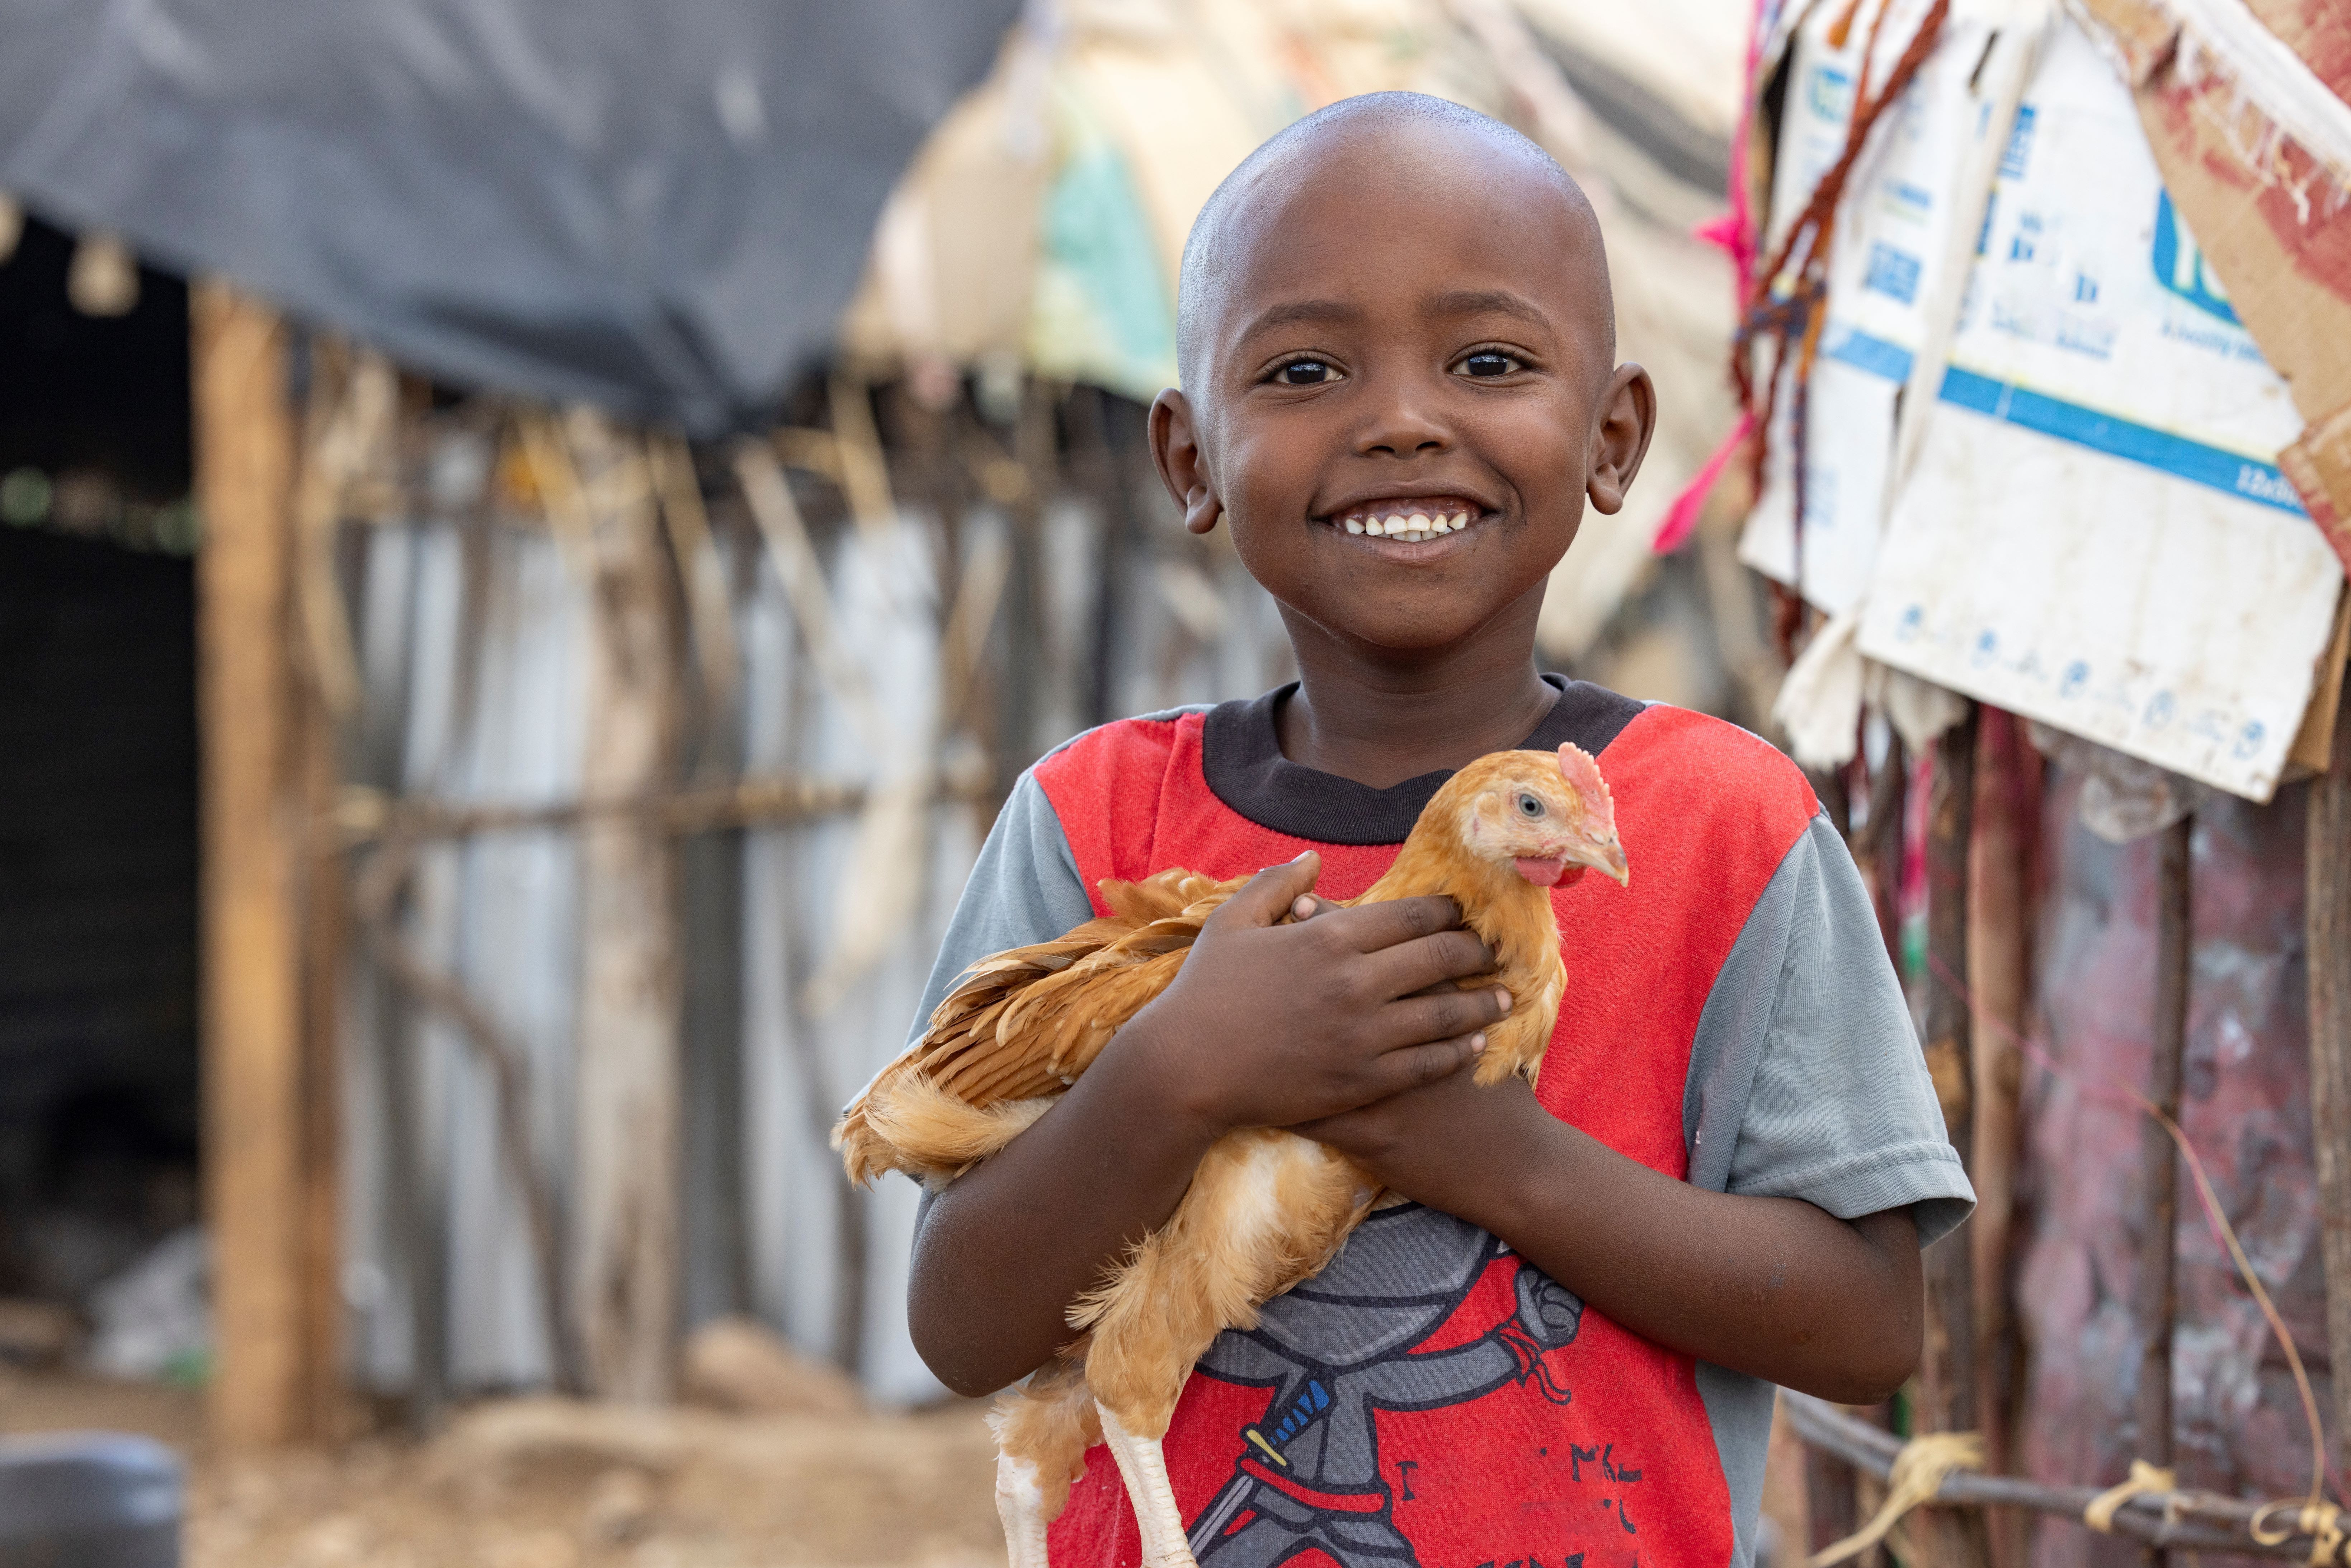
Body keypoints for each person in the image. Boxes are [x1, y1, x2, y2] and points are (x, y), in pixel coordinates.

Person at [900, 91, 1972, 1568]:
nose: (1400, 418)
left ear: (1612, 439)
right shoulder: (1092, 823)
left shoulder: (1723, 826)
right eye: (1302, 368)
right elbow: (961, 1321)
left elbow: (1863, 1322)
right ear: (1190, 459)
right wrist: (1181, 1067)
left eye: (1485, 360)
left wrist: (1480, 1150)